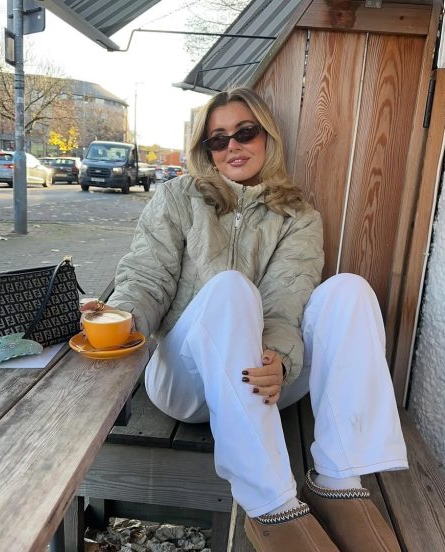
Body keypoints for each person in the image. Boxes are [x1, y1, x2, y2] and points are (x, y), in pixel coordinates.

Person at [82, 87, 408, 552]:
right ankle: (271, 505)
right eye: (218, 139)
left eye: (245, 132)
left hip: (263, 382)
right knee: (230, 287)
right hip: (187, 382)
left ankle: (339, 480)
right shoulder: (178, 196)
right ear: (206, 149)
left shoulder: (297, 214)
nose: (232, 146)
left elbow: (287, 301)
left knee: (348, 291)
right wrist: (121, 317)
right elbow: (147, 275)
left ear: (267, 136)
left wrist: (279, 358)